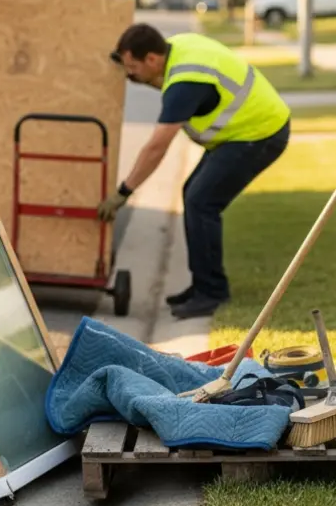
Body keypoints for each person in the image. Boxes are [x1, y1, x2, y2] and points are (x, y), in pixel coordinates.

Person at [98, 23, 292, 319]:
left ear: (152, 59)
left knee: (201, 202)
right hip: (245, 132)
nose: (129, 74)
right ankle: (203, 284)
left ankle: (211, 292)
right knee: (194, 196)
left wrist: (124, 192)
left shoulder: (185, 83)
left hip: (260, 133)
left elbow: (157, 147)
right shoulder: (177, 47)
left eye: (132, 67)